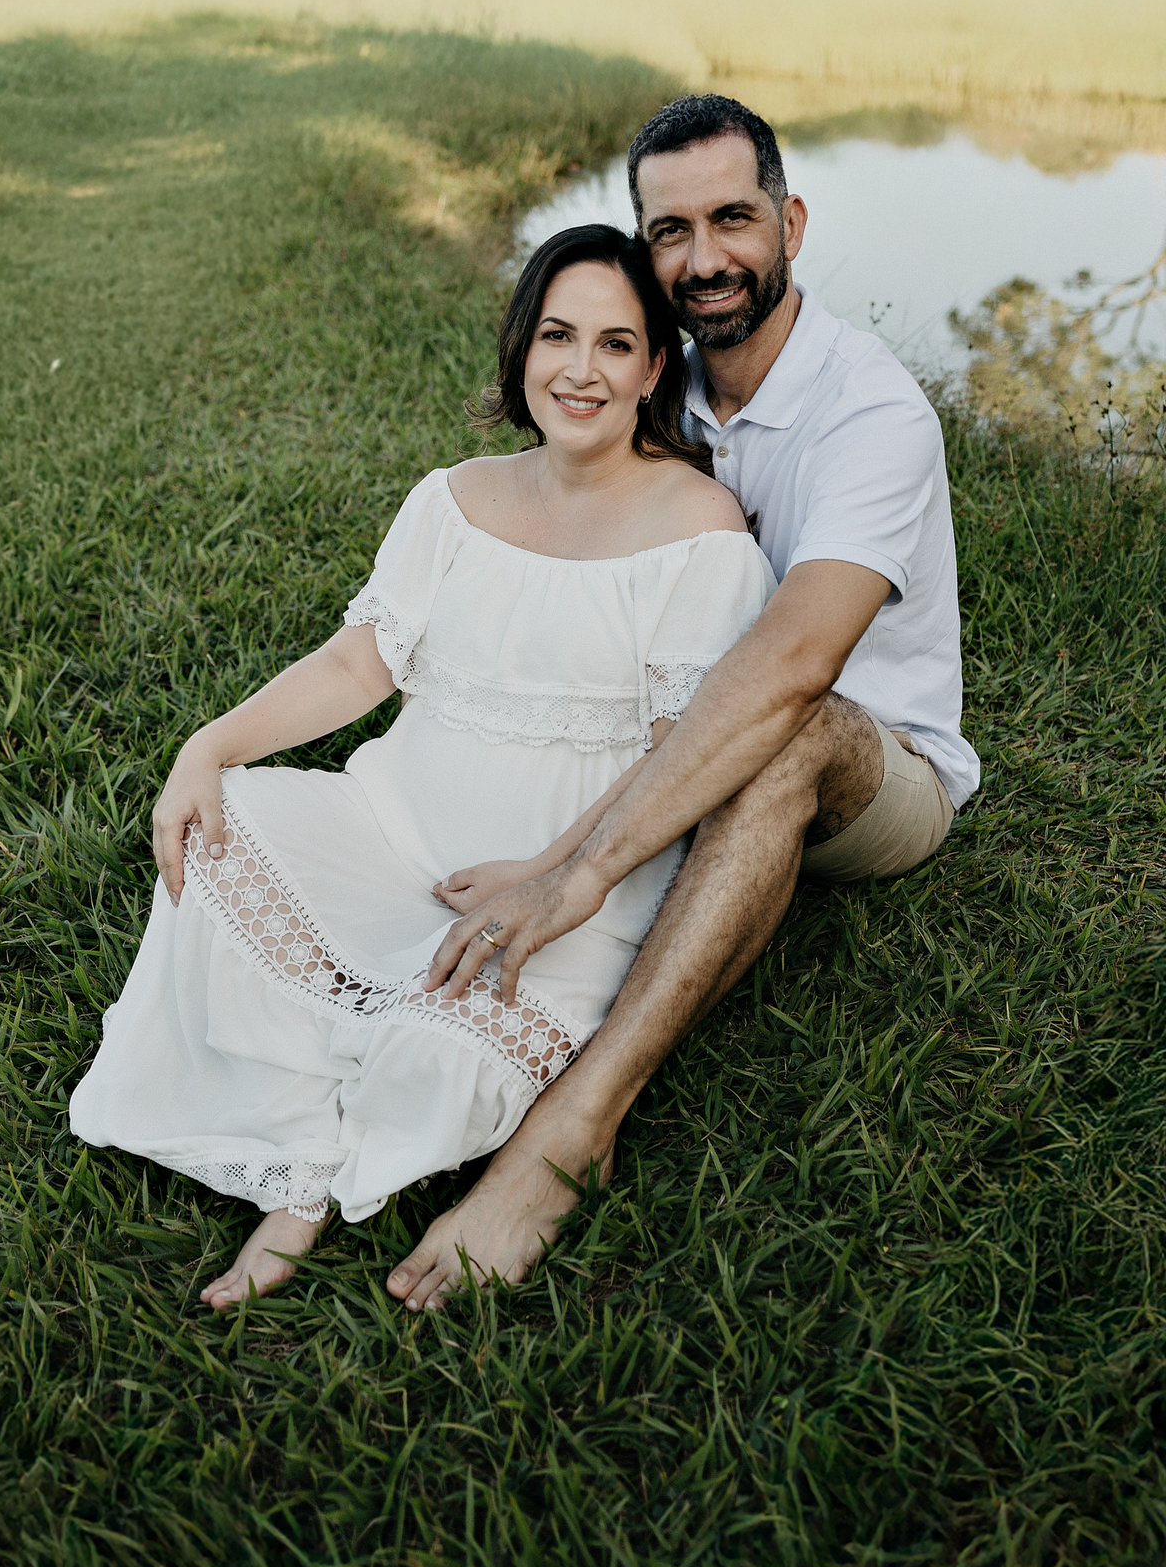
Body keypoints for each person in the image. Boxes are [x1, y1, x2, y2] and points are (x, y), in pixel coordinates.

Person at [69, 223, 773, 1308]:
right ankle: (303, 1164)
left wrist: (547, 871)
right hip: (394, 828)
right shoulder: (456, 497)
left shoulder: (700, 529)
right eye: (557, 335)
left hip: (569, 888)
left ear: (652, 372)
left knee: (446, 1055)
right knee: (226, 828)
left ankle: (318, 1168)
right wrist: (207, 744)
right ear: (522, 347)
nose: (580, 370)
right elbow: (359, 663)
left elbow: (679, 757)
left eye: (616, 344)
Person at [386, 95, 981, 1313]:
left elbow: (795, 665)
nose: (704, 259)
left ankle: (571, 1132)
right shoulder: (658, 381)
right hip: (689, 740)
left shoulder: (871, 414)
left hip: (873, 762)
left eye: (732, 220)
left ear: (791, 224)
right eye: (670, 231)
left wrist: (577, 871)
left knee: (785, 734)